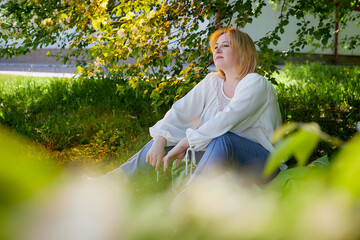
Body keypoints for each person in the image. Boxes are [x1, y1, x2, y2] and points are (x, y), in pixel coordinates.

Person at [110, 27, 282, 185]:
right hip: (220, 155)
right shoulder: (212, 82)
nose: (218, 49)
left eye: (226, 45)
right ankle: (115, 180)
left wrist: (186, 142)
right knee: (171, 139)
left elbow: (225, 120)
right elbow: (180, 111)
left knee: (223, 138)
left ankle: (187, 201)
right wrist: (160, 140)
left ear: (243, 51)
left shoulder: (256, 83)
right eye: (216, 46)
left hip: (263, 163)